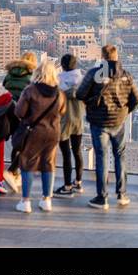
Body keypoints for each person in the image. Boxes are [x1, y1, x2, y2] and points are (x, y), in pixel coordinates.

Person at [77, 44, 138, 210]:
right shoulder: (126, 75)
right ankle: (122, 194)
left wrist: (91, 106)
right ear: (116, 57)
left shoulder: (94, 74)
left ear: (103, 57)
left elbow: (80, 94)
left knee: (101, 158)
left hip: (99, 123)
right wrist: (125, 112)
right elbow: (137, 99)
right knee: (120, 156)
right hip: (119, 122)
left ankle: (102, 197)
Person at [13, 57, 64, 214]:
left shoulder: (30, 91)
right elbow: (62, 111)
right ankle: (46, 200)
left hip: (33, 132)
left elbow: (19, 112)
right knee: (48, 164)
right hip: (53, 132)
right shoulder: (59, 93)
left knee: (27, 163)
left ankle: (26, 201)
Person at [0, 52, 37, 190]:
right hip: (23, 113)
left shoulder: (9, 74)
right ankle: (13, 172)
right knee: (24, 144)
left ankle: (14, 172)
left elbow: (4, 90)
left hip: (9, 110)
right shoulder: (31, 76)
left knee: (16, 142)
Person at [55, 54, 86, 198]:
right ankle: (78, 182)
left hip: (63, 121)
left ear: (62, 66)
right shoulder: (82, 81)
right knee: (77, 152)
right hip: (78, 120)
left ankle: (67, 186)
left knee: (66, 154)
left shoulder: (58, 82)